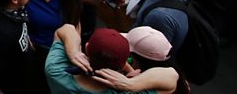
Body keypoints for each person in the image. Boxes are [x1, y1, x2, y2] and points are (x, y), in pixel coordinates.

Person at [46, 25, 179, 94]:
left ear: (87, 48)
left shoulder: (56, 71)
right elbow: (172, 76)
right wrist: (131, 84)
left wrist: (73, 51)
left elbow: (66, 29)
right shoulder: (126, 91)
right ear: (124, 63)